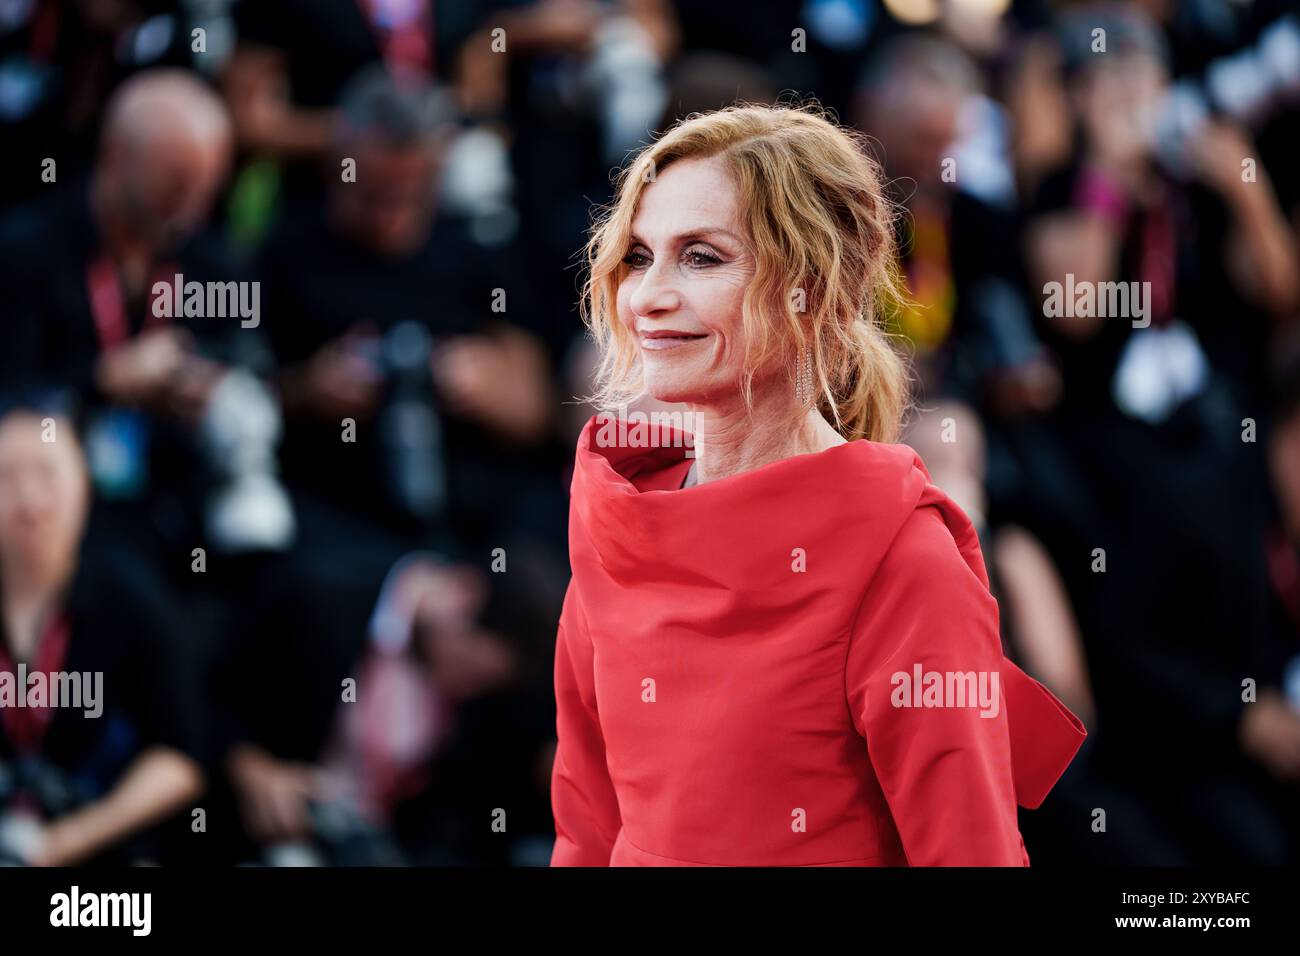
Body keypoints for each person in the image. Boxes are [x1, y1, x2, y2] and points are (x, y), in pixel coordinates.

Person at [550, 103, 1086, 867]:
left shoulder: (903, 563)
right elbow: (586, 831)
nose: (647, 297)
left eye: (702, 257)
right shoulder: (615, 522)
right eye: (639, 255)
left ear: (815, 288)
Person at [0, 396, 203, 866]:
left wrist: (61, 845)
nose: (30, 502)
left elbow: (179, 757)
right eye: (8, 477)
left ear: (84, 489)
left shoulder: (132, 601)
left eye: (48, 475)